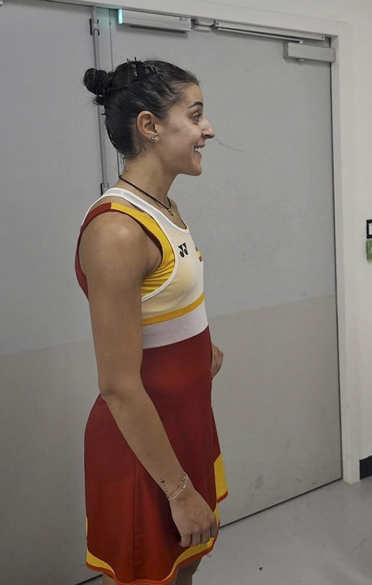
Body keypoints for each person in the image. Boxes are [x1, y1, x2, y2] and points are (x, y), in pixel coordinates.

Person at [76, 60, 227, 585]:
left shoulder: (164, 206)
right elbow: (118, 387)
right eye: (196, 115)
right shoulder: (117, 230)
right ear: (151, 126)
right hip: (144, 454)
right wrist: (179, 491)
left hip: (184, 425)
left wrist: (197, 350)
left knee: (186, 567)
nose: (208, 129)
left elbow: (164, 311)